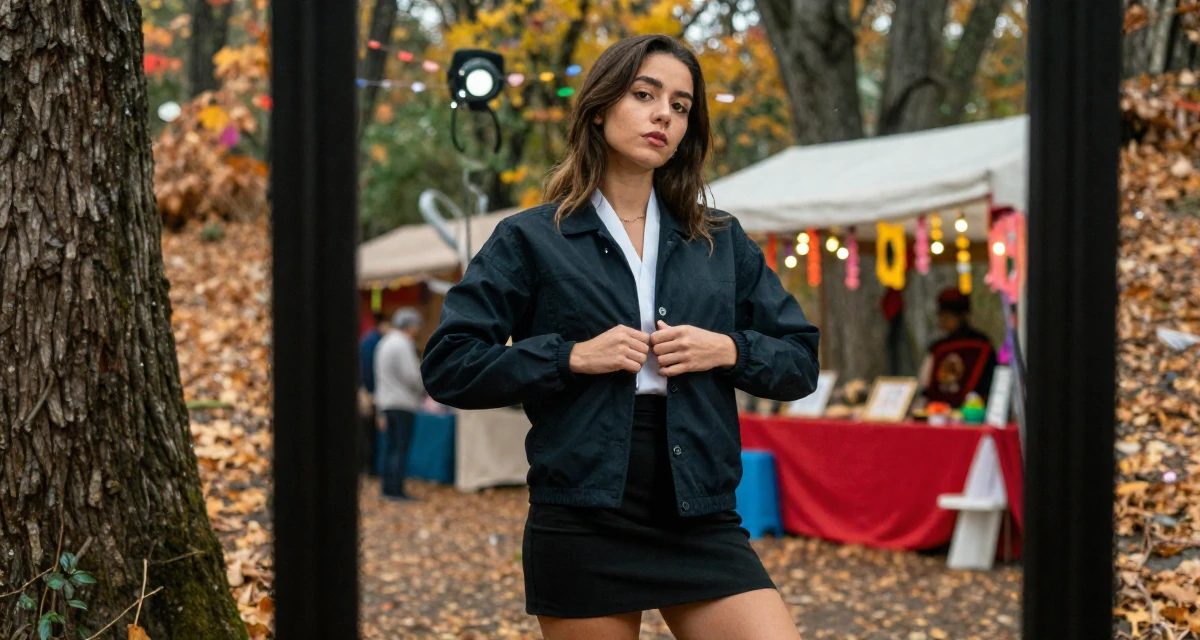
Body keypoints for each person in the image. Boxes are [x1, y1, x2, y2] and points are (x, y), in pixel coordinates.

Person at [421, 34, 818, 640]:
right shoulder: (530, 238)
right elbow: (449, 365)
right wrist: (569, 356)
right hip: (583, 510)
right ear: (601, 108)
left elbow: (800, 360)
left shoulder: (719, 239)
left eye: (681, 106)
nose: (664, 114)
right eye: (645, 94)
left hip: (701, 509)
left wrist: (730, 349)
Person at [375, 307, 426, 501]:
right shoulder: (403, 344)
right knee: (399, 448)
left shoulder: (384, 343)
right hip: (402, 403)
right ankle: (396, 490)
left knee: (390, 448)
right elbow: (411, 376)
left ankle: (387, 488)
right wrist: (424, 387)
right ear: (410, 326)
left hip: (387, 402)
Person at [919, 288, 998, 408]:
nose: (943, 321)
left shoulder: (981, 346)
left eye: (948, 316)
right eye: (942, 316)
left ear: (962, 316)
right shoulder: (939, 347)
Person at [358, 311, 388, 475]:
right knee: (370, 433)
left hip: (367, 392)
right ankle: (369, 467)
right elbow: (368, 369)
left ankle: (366, 467)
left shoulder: (366, 341)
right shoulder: (375, 342)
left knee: (366, 433)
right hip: (372, 394)